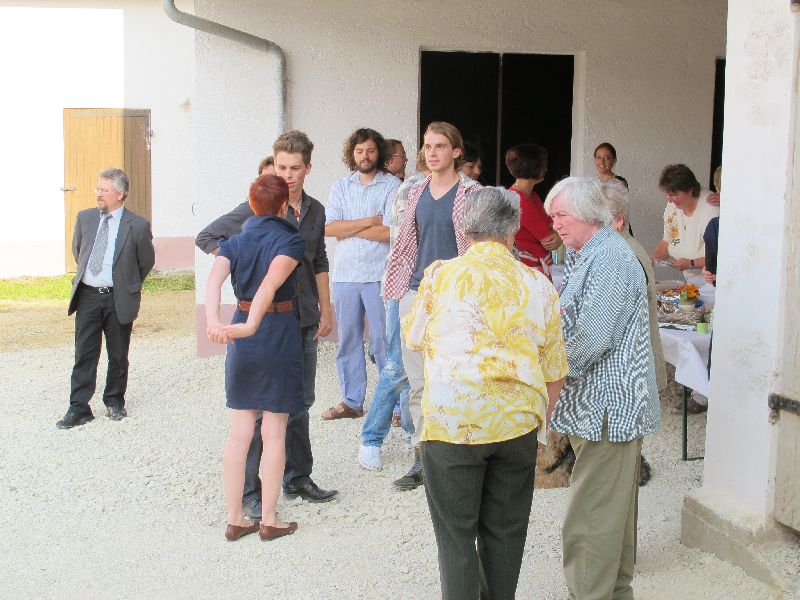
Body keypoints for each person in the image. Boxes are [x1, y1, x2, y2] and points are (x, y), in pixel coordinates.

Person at [403, 186, 567, 599]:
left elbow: (414, 338)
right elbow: (555, 371)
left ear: (465, 228)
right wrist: (539, 426)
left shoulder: (439, 276)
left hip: (452, 423)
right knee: (506, 533)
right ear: (513, 230)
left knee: (456, 537)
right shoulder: (539, 284)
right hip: (516, 423)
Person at [195, 130, 337, 511]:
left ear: (307, 168)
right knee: (259, 410)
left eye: (294, 168)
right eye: (281, 167)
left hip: (303, 316)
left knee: (301, 401)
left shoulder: (315, 211)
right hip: (267, 323)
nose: (287, 175)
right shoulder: (255, 208)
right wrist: (238, 263)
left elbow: (319, 260)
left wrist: (326, 308)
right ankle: (252, 491)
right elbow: (206, 236)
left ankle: (297, 476)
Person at [544, 177, 660, 600]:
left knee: (592, 515)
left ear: (588, 214)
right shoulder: (593, 252)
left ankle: (590, 593)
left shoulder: (609, 256)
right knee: (611, 513)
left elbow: (591, 341)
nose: (554, 224)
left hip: (607, 408)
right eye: (553, 216)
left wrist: (543, 375)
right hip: (601, 407)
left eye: (561, 215)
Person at [205, 174, 304, 542]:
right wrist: (252, 325)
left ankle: (235, 518)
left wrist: (215, 322)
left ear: (251, 204)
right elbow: (271, 284)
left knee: (239, 432)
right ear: (284, 206)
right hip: (276, 331)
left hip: (241, 332)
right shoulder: (290, 239)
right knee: (274, 432)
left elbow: (213, 283)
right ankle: (269, 519)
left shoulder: (234, 242)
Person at [384, 121, 481, 490]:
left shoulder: (473, 193)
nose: (432, 152)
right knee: (418, 381)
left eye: (440, 146)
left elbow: (485, 246)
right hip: (415, 292)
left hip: (457, 296)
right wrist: (395, 289)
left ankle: (457, 455)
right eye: (427, 146)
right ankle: (422, 457)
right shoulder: (413, 191)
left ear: (456, 152)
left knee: (458, 377)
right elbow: (401, 242)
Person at [57, 168, 155, 429]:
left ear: (120, 194)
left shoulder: (138, 225)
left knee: (118, 354)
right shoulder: (85, 218)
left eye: (104, 189)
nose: (98, 193)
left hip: (118, 298)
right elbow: (79, 251)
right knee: (84, 354)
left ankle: (114, 401)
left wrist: (126, 284)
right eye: (97, 188)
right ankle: (79, 408)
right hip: (88, 296)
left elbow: (145, 262)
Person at [357, 150, 430, 470]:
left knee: (422, 370)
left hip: (440, 288)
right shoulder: (411, 189)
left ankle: (415, 434)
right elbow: (402, 244)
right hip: (405, 287)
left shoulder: (463, 190)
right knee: (398, 367)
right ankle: (371, 438)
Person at [323, 128, 400, 420]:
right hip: (345, 274)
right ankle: (352, 402)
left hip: (380, 274)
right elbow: (330, 228)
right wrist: (369, 221)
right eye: (359, 151)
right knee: (348, 341)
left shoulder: (392, 185)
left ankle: (394, 406)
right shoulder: (341, 186)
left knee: (383, 342)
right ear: (351, 154)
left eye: (370, 150)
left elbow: (390, 232)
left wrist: (350, 228)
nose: (364, 156)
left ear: (379, 152)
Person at [505, 143, 561, 275]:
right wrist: (557, 235)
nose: (546, 169)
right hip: (529, 267)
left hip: (535, 263)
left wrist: (556, 234)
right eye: (543, 165)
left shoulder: (531, 195)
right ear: (533, 167)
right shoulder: (520, 201)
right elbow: (548, 239)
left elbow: (551, 224)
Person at [650, 164, 719, 270]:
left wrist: (692, 263)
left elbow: (719, 256)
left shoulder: (712, 209)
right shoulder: (673, 204)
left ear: (690, 190)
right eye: (667, 195)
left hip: (709, 276)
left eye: (674, 195)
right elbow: (667, 242)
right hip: (690, 276)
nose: (669, 200)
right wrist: (649, 261)